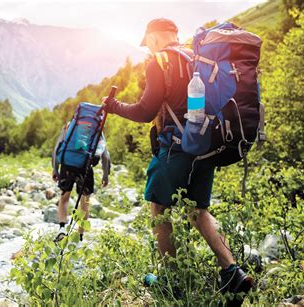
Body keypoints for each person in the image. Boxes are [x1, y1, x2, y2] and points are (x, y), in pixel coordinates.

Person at [102, 18, 254, 300]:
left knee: (159, 206)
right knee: (198, 210)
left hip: (175, 146)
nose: (146, 47)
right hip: (206, 145)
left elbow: (145, 111)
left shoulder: (160, 61)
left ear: (155, 37)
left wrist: (114, 106)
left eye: (147, 41)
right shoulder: (196, 58)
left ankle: (170, 278)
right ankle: (232, 271)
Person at [52, 129, 110, 242]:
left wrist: (55, 168)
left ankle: (62, 229)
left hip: (67, 165)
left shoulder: (71, 125)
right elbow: (105, 155)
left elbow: (56, 149)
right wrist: (105, 174)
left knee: (64, 197)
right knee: (85, 202)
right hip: (86, 167)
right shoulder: (97, 127)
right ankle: (79, 236)